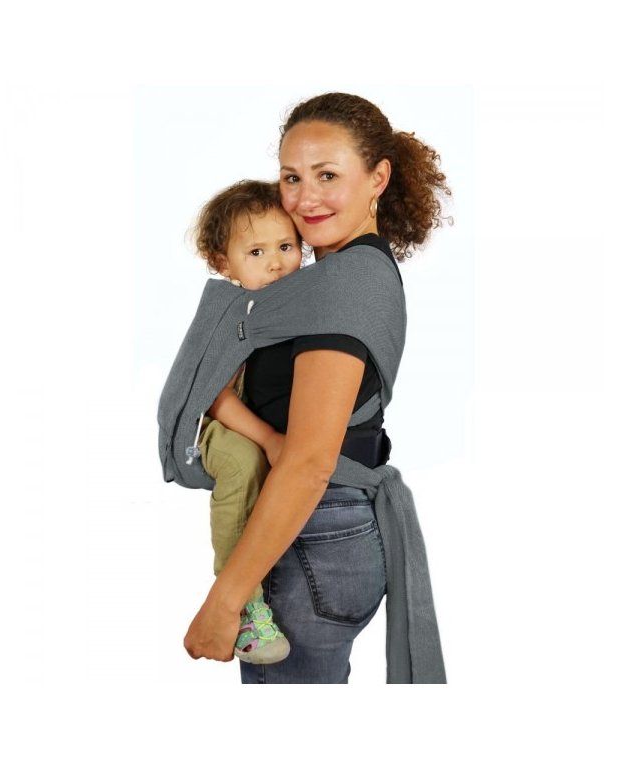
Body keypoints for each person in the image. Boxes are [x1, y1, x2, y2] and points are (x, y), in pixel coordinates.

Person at [183, 92, 450, 683]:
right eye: (291, 177)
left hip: (314, 533)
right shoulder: (335, 276)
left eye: (327, 175)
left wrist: (226, 602)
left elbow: (307, 461)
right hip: (326, 536)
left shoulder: (343, 285)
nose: (305, 198)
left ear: (378, 177)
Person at [189, 179, 304, 664]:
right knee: (242, 463)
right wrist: (270, 439)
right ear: (224, 263)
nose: (275, 262)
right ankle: (242, 602)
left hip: (260, 427)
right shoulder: (234, 312)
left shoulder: (296, 304)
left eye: (286, 247)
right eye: (256, 252)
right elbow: (214, 396)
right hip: (222, 426)